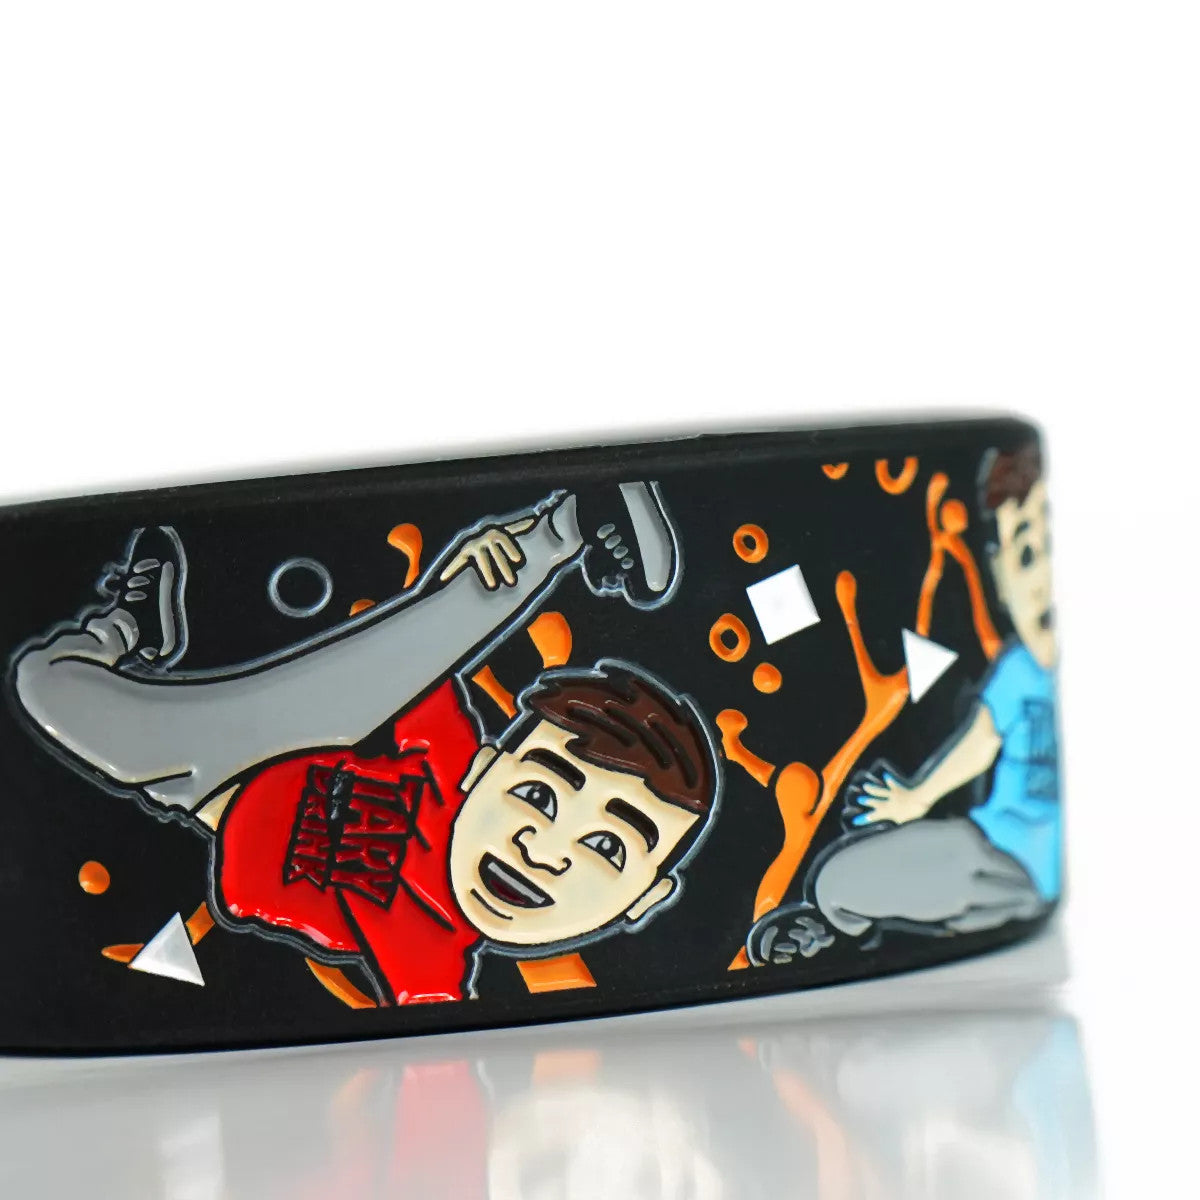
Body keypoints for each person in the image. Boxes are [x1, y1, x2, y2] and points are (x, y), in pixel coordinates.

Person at [12, 481, 720, 1004]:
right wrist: (464, 574)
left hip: (207, 783)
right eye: (537, 794)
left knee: (51, 687)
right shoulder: (450, 763)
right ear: (486, 767)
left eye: (607, 848)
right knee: (44, 686)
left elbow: (438, 1054)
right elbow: (403, 665)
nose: (542, 848)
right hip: (287, 731)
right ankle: (559, 529)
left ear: (646, 899)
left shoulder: (431, 960)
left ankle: (131, 632)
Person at [748, 442, 1058, 965]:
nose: (1039, 578)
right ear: (1001, 573)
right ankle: (828, 926)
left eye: (1044, 547)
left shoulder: (1029, 667)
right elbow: (980, 743)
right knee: (844, 880)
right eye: (1025, 556)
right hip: (990, 852)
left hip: (1020, 872)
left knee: (917, 872)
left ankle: (839, 918)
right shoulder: (1015, 675)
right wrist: (916, 798)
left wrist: (916, 800)